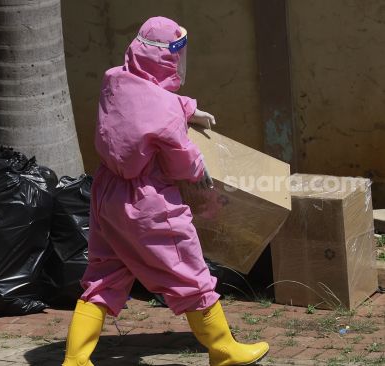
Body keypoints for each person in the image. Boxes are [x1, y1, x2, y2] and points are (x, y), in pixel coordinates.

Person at [62, 16, 270, 366]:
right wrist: (199, 170)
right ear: (165, 58)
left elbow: (142, 102)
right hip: (148, 202)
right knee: (189, 271)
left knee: (103, 276)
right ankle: (223, 350)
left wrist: (188, 108)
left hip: (107, 194)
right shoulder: (164, 109)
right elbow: (179, 157)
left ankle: (75, 360)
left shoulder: (114, 80)